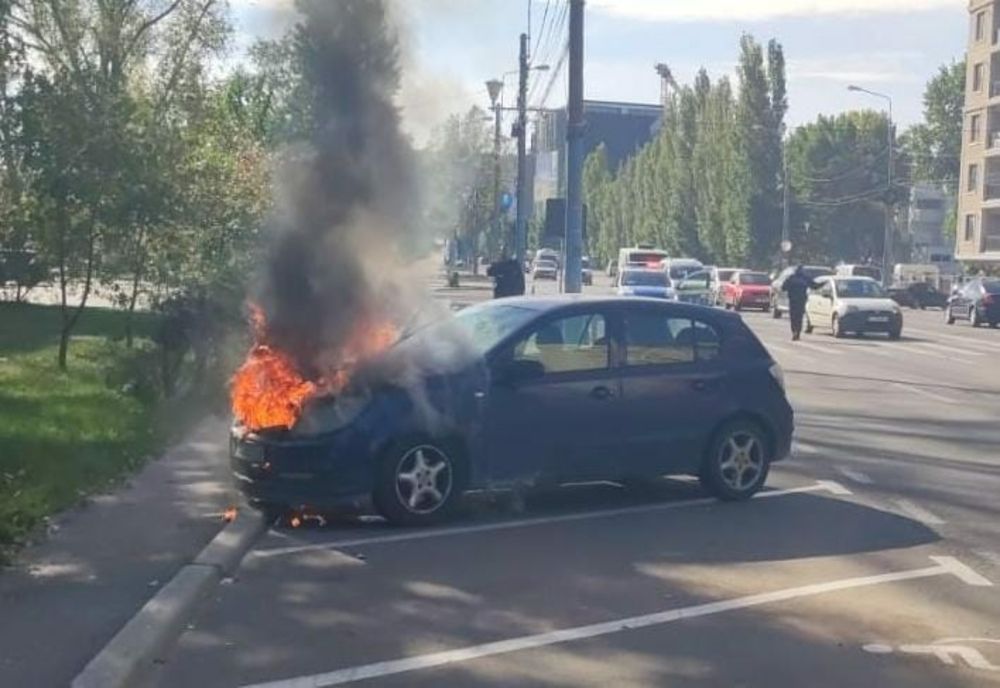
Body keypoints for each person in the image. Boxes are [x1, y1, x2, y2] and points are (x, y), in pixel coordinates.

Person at [782, 265, 819, 341]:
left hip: (793, 300)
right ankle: (797, 333)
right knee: (799, 317)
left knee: (793, 317)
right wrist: (823, 284)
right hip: (800, 300)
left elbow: (783, 288)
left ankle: (795, 332)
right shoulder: (805, 278)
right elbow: (814, 286)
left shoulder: (791, 278)